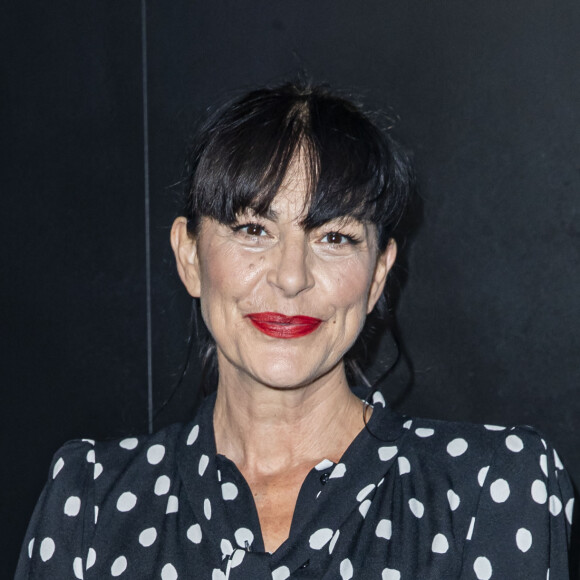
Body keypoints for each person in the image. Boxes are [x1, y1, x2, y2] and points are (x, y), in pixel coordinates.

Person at [16, 83, 573, 579]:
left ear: (379, 274)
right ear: (189, 256)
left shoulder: (491, 492)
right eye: (253, 228)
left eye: (334, 237)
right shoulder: (89, 503)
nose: (290, 277)